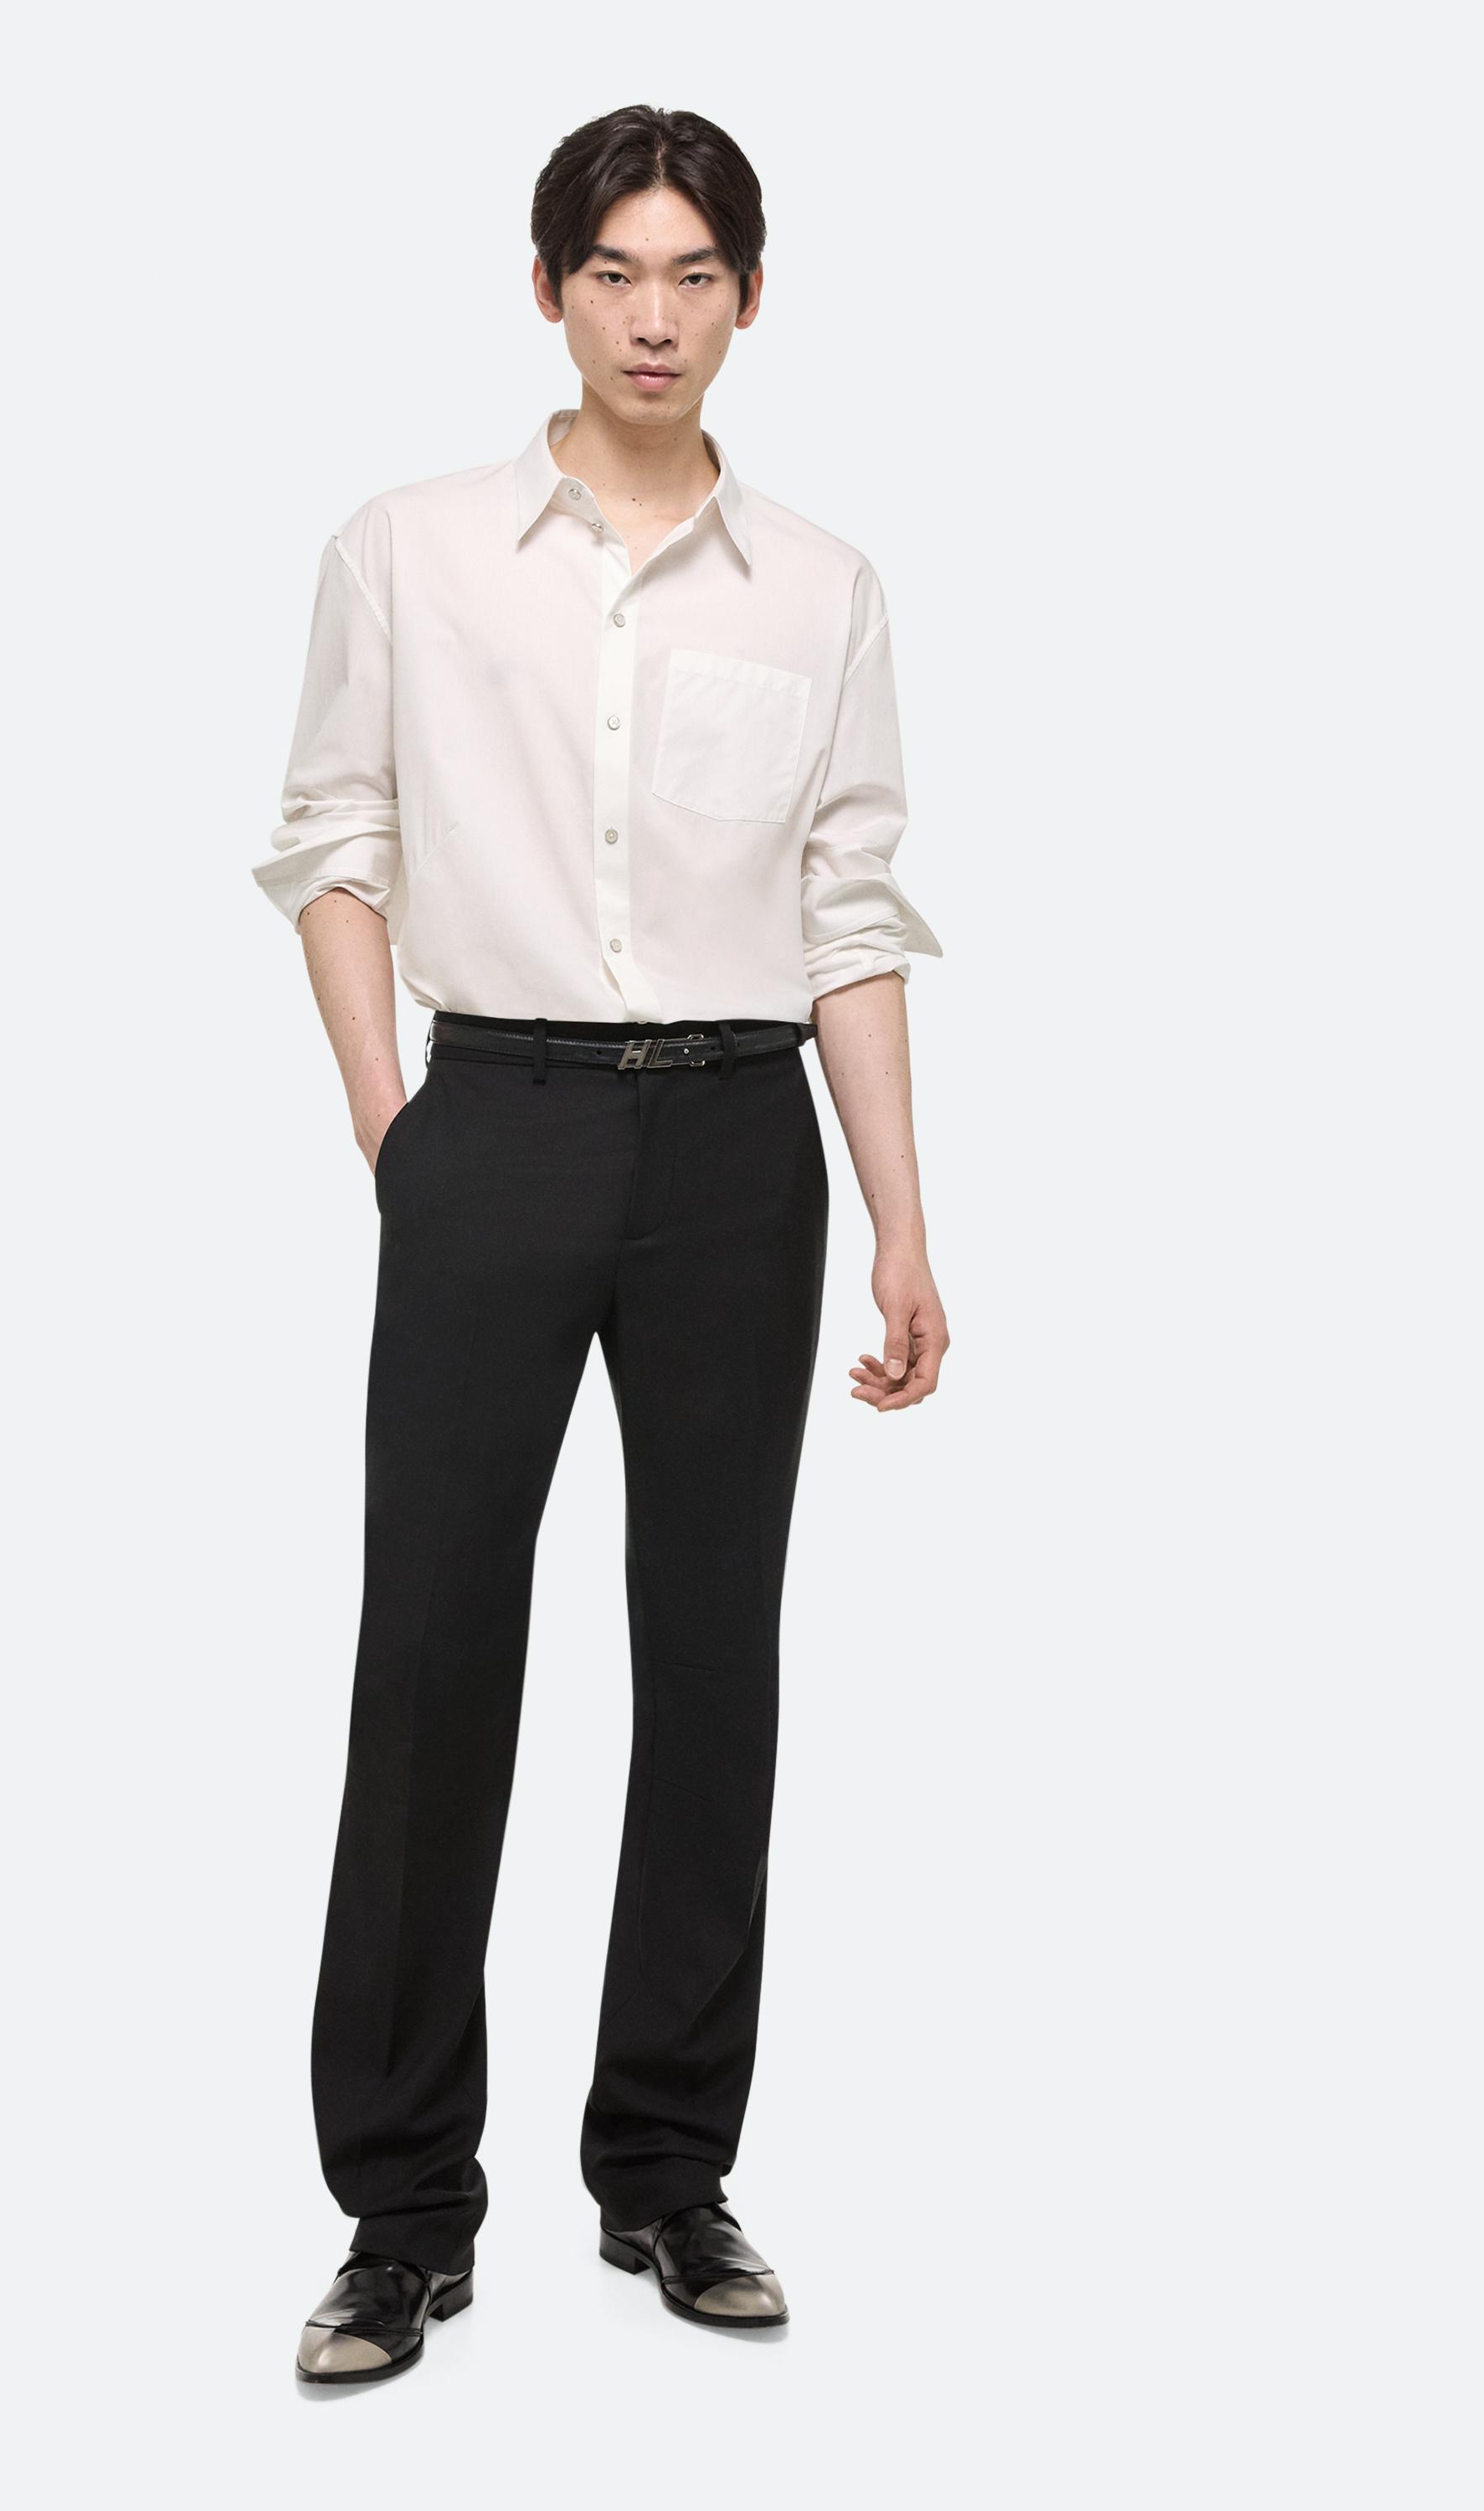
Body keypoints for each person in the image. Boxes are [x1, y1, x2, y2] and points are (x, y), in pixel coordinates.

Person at [253, 103, 949, 2385]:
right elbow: (335, 837)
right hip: (498, 1126)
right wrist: (397, 1126)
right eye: (617, 272)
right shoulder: (412, 549)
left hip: (742, 1148)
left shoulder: (822, 587)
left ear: (750, 296)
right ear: (547, 286)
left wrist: (904, 1227)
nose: (657, 317)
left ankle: (666, 2169)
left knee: (714, 1659)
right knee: (435, 1653)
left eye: (697, 275)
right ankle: (399, 2212)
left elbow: (851, 907)